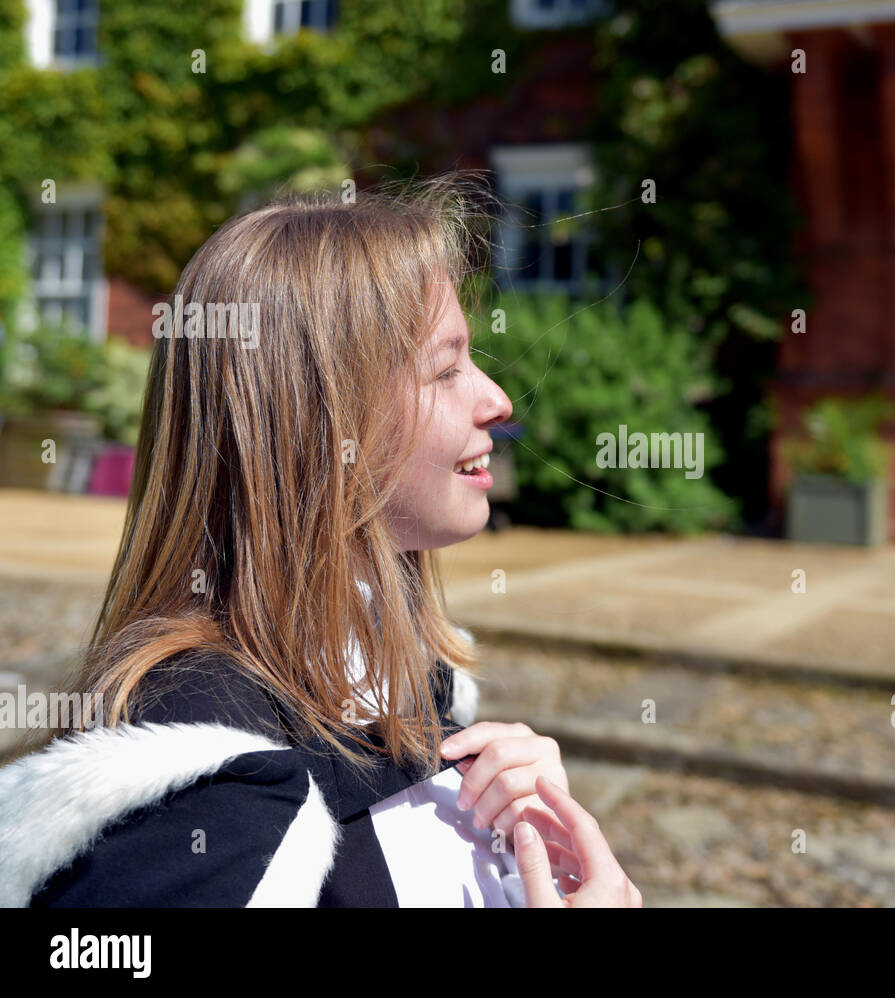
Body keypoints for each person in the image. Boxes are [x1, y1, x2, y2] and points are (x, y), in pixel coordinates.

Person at [0, 179, 641, 908]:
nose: (497, 401)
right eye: (446, 367)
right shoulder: (204, 794)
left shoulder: (412, 694)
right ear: (321, 422)